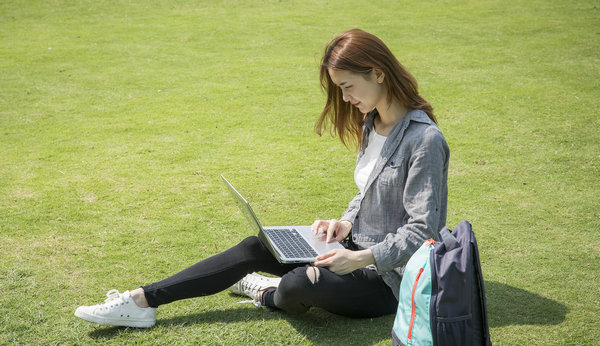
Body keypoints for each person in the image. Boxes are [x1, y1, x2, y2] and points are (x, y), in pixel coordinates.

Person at [74, 28, 449, 328]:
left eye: (348, 86)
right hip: (348, 250)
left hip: (388, 279)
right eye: (339, 88)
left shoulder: (424, 140)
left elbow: (424, 230)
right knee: (258, 245)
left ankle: (266, 292)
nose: (345, 97)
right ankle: (141, 301)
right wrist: (345, 222)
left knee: (299, 283)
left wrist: (362, 258)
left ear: (378, 73)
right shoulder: (373, 121)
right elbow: (368, 191)